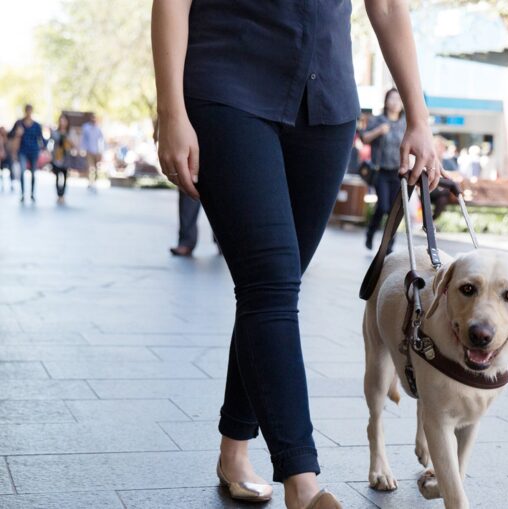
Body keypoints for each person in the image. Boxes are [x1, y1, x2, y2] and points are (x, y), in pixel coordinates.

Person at [151, 1, 441, 508]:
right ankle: (302, 484)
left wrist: (419, 117)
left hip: (325, 103)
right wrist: (171, 111)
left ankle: (234, 448)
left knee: (273, 288)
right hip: (227, 88)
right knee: (270, 285)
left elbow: (389, 5)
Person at [362, 88, 407, 251]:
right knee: (382, 206)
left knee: (393, 210)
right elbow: (364, 138)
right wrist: (378, 131)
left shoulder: (405, 123)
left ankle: (389, 244)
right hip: (380, 171)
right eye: (392, 99)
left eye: (398, 99)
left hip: (398, 172)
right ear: (386, 101)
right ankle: (371, 232)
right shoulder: (378, 120)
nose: (395, 102)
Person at [10, 104, 46, 203]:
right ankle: (22, 193)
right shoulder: (19, 123)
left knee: (33, 173)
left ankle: (32, 193)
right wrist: (17, 133)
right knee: (22, 171)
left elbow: (41, 139)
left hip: (34, 151)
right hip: (22, 151)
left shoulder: (37, 125)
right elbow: (11, 134)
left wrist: (45, 148)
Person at [50, 114, 73, 204]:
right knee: (57, 176)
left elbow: (73, 144)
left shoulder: (70, 132)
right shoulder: (56, 132)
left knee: (65, 177)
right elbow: (52, 141)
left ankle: (62, 194)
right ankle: (58, 194)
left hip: (66, 158)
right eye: (61, 120)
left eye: (64, 121)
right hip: (57, 157)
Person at [80, 112, 104, 191]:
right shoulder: (86, 127)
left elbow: (101, 140)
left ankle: (95, 182)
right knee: (90, 168)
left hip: (97, 151)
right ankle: (90, 182)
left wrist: (101, 151)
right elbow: (84, 139)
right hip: (89, 150)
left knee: (96, 168)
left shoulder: (98, 128)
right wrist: (83, 149)